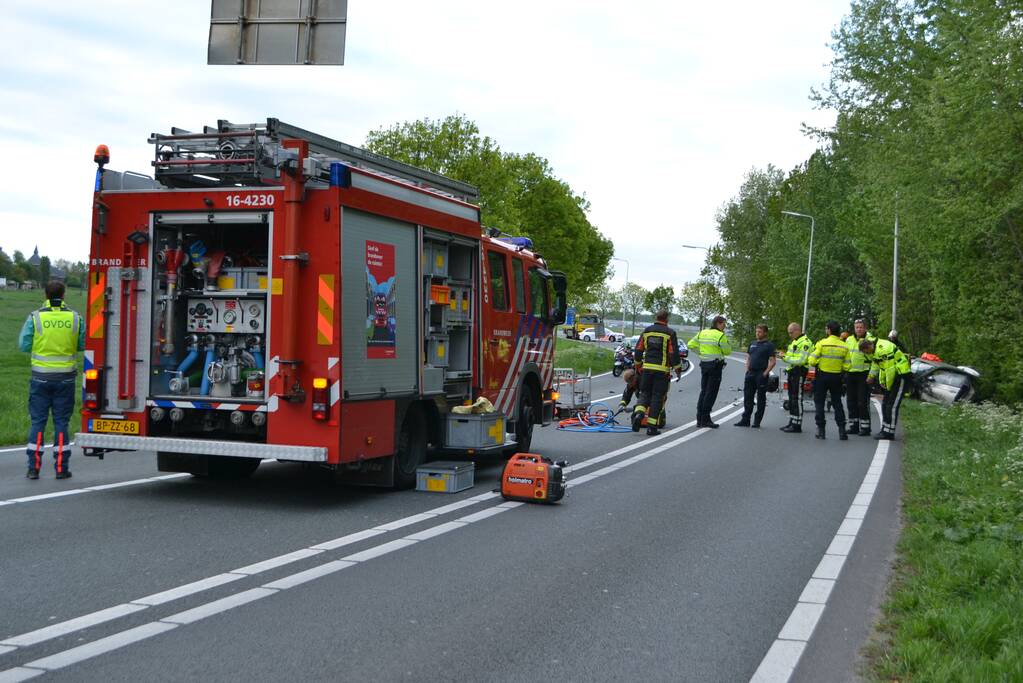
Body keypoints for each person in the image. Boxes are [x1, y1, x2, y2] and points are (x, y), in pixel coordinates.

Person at [19, 281, 85, 479]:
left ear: (45, 294)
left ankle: (33, 468)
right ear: (64, 295)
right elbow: (82, 344)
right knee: (61, 423)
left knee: (38, 422)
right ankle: (61, 468)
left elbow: (24, 344)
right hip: (65, 379)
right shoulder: (75, 318)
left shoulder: (35, 317)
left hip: (40, 378)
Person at [631, 310, 681, 436]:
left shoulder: (647, 331)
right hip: (661, 371)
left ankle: (639, 414)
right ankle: (652, 427)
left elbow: (638, 350)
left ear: (656, 317)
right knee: (657, 398)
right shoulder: (670, 333)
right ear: (667, 319)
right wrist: (678, 369)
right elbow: (673, 353)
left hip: (646, 369)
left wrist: (638, 366)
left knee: (645, 394)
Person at [860, 337, 913, 440]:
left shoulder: (883, 349)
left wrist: (887, 386)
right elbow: (877, 365)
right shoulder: (875, 350)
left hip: (901, 374)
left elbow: (890, 369)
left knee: (892, 405)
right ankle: (885, 429)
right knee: (885, 404)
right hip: (893, 376)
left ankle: (890, 432)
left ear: (869, 346)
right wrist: (871, 376)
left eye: (866, 352)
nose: (867, 354)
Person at [807, 320, 851, 440]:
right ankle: (842, 430)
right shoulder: (844, 346)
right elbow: (847, 366)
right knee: (837, 403)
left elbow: (812, 360)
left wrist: (817, 360)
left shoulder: (821, 343)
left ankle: (821, 431)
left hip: (822, 376)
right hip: (837, 377)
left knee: (819, 403)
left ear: (829, 330)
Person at [689, 315, 732, 428]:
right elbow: (727, 351)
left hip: (704, 365)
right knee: (711, 393)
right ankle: (705, 419)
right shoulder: (720, 335)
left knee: (704, 391)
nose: (725, 327)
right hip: (715, 366)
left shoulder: (703, 333)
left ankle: (699, 419)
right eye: (724, 324)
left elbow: (690, 345)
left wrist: (701, 353)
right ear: (718, 323)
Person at [735, 323, 776, 428]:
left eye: (760, 332)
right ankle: (745, 420)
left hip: (761, 374)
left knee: (761, 398)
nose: (757, 333)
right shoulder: (752, 343)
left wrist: (765, 373)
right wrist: (747, 367)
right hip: (750, 373)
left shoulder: (769, 345)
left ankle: (757, 421)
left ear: (765, 333)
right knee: (748, 397)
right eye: (756, 331)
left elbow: (772, 361)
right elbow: (748, 357)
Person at [780, 322, 814, 433]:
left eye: (791, 332)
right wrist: (784, 356)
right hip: (792, 371)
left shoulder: (805, 342)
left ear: (797, 330)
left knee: (797, 398)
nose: (790, 335)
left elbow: (801, 360)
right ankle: (792, 421)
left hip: (799, 371)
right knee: (791, 398)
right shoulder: (795, 341)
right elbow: (791, 356)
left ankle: (797, 424)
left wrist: (785, 357)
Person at [845, 318, 877, 436]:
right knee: (851, 401)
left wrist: (871, 375)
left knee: (862, 402)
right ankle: (853, 426)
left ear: (865, 328)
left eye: (861, 327)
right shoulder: (849, 339)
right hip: (850, 373)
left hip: (864, 373)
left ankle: (865, 427)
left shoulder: (870, 340)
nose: (859, 329)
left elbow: (875, 359)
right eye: (857, 327)